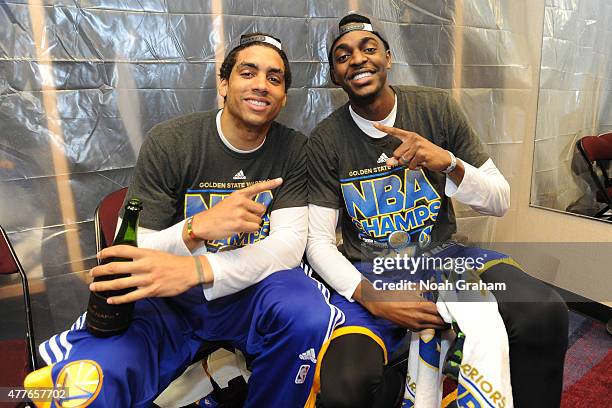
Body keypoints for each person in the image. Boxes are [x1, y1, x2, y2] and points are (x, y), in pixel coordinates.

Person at [25, 33, 342, 408]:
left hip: (251, 291)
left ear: (284, 96)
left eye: (274, 78)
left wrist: (201, 269)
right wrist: (196, 229)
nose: (261, 84)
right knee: (92, 380)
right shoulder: (172, 142)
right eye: (248, 72)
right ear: (224, 83)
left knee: (306, 312)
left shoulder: (293, 149)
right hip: (170, 298)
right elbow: (134, 250)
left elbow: (288, 248)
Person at [306, 12, 568, 408]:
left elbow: (499, 200)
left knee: (544, 313)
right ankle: (396, 384)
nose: (357, 59)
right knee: (345, 386)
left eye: (368, 48)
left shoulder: (436, 110)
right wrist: (372, 296)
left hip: (445, 257)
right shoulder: (326, 139)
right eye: (342, 56)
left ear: (389, 58)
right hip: (371, 269)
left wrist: (448, 162)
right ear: (334, 75)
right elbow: (318, 242)